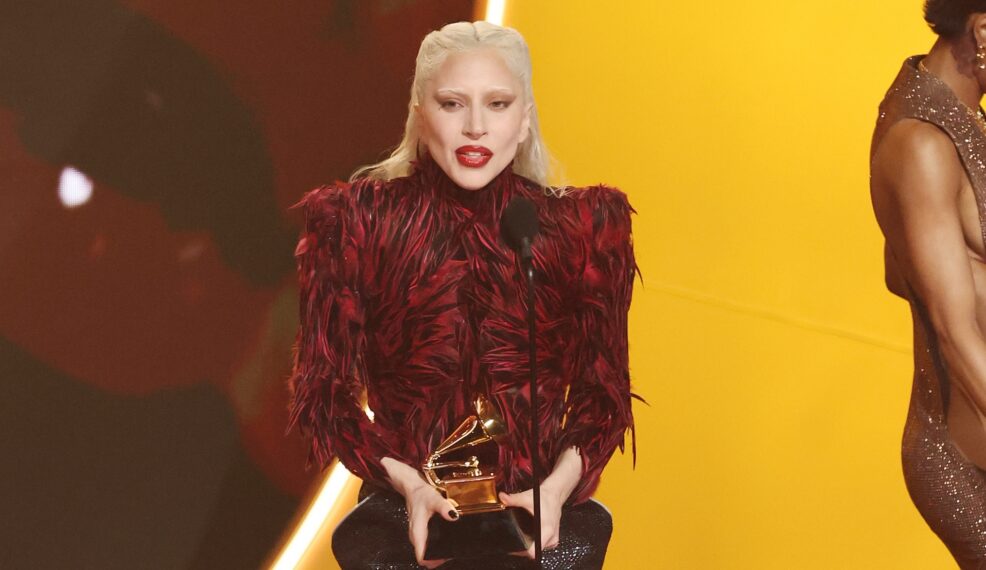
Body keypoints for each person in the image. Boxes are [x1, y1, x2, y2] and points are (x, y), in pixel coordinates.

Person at [288, 21, 637, 569]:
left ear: (524, 120)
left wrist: (553, 492)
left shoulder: (584, 229)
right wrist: (407, 483)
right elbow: (324, 395)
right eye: (453, 103)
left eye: (498, 104)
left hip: (541, 523)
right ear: (419, 111)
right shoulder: (356, 224)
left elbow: (603, 396)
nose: (476, 127)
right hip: (404, 521)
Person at [871, 2, 986, 567]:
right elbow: (956, 334)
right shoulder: (919, 142)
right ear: (983, 30)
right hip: (969, 462)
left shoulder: (965, 118)